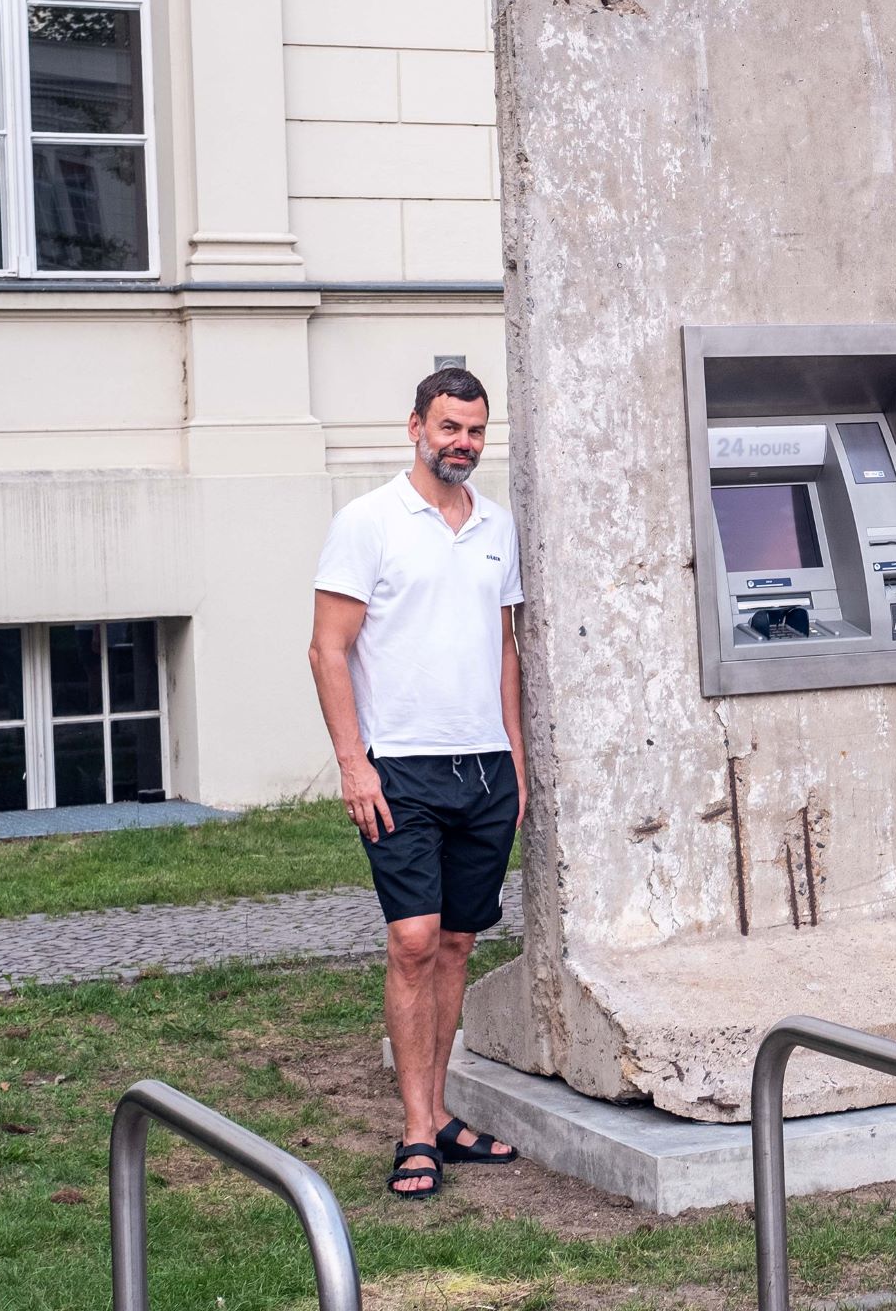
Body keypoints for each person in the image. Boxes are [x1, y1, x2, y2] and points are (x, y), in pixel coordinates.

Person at [309, 367, 529, 1198]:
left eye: (474, 430)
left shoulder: (497, 528)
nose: (462, 443)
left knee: (457, 944)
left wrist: (514, 757)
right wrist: (352, 761)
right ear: (415, 427)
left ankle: (439, 1113)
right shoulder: (367, 522)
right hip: (398, 764)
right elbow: (327, 649)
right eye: (448, 428)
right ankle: (414, 1133)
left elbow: (504, 648)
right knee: (411, 943)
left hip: (483, 768)